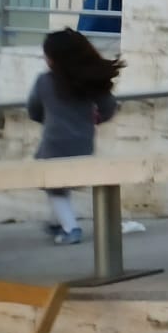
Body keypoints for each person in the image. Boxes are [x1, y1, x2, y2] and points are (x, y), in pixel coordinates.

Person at [28, 29, 122, 246]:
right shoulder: (89, 82)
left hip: (54, 144)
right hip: (83, 144)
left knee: (53, 187)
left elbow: (33, 110)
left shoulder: (44, 82)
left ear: (53, 59)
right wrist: (94, 120)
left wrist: (48, 117)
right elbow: (109, 107)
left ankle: (71, 228)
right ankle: (56, 222)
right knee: (60, 184)